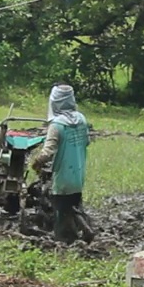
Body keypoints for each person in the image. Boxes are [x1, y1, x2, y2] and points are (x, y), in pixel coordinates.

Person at [31, 83, 89, 243]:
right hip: (78, 173)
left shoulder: (57, 125)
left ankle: (63, 243)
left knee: (61, 212)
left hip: (63, 177)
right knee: (74, 204)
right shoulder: (82, 120)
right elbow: (86, 142)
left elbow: (47, 152)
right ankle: (83, 229)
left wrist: (36, 163)